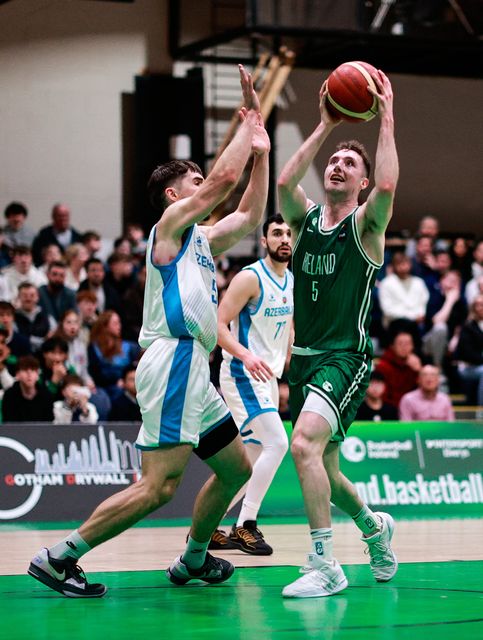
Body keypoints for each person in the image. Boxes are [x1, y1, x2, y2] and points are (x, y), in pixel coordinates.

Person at [28, 64, 269, 598]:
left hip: (195, 370)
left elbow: (250, 213)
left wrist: (263, 152)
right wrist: (248, 123)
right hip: (176, 358)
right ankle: (59, 557)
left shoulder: (202, 240)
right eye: (195, 182)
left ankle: (194, 559)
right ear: (173, 197)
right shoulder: (168, 230)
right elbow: (226, 183)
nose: (206, 186)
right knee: (159, 487)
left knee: (235, 469)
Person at [277, 67, 399, 598]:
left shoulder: (366, 227)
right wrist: (325, 126)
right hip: (304, 359)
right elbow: (283, 183)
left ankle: (324, 562)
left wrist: (386, 116)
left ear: (362, 183)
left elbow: (391, 184)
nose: (336, 165)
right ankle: (374, 527)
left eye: (349, 163)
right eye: (333, 161)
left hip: (343, 359)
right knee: (325, 464)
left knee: (302, 444)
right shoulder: (303, 223)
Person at [213, 213, 293, 555]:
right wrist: (245, 356)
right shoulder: (250, 278)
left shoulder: (290, 280)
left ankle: (208, 527)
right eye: (277, 233)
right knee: (278, 443)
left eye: (288, 233)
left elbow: (287, 329)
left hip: (268, 377)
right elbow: (216, 324)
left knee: (250, 459)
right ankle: (246, 524)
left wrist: (290, 361)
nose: (284, 239)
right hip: (243, 374)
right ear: (264, 241)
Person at [376, 330, 421, 408]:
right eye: (400, 344)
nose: (404, 347)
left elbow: (423, 393)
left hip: (412, 408)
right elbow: (382, 395)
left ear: (412, 346)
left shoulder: (415, 364)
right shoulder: (383, 366)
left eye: (407, 344)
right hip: (390, 409)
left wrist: (419, 371)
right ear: (392, 346)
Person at [2, 355, 54, 422]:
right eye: (24, 369)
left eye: (33, 370)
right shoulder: (9, 395)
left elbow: (49, 424)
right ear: (17, 375)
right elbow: (9, 424)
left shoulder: (46, 395)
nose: (29, 374)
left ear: (37, 375)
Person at [38, 261, 77, 329]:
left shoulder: (71, 295)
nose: (58, 278)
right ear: (47, 275)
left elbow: (74, 316)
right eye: (54, 274)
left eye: (61, 275)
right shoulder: (39, 293)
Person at [14, 282, 50, 352]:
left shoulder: (47, 316)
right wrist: (41, 341)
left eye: (32, 295)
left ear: (38, 297)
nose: (28, 299)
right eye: (24, 295)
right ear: (18, 297)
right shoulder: (13, 318)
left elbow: (52, 337)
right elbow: (16, 338)